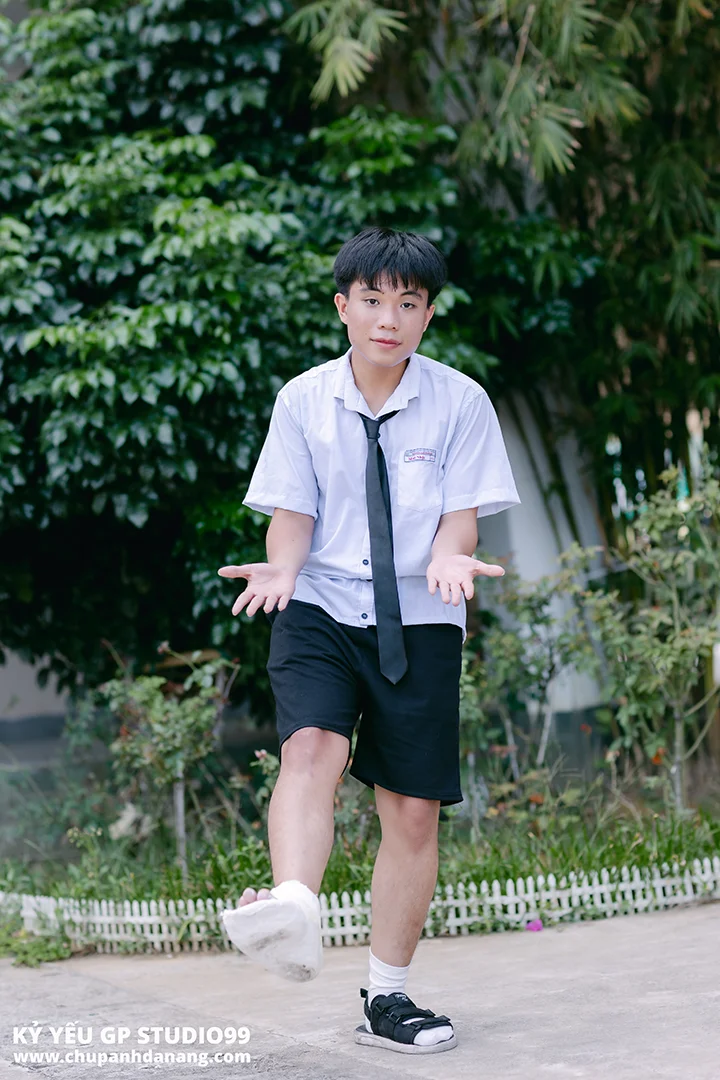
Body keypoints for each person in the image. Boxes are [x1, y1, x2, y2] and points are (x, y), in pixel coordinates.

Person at [219, 226, 520, 1055]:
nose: (390, 318)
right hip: (320, 603)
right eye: (373, 300)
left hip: (421, 614)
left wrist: (452, 555)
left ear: (428, 316)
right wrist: (283, 568)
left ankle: (387, 996)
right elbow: (293, 513)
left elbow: (460, 514)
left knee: (413, 812)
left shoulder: (461, 401)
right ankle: (292, 906)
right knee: (312, 745)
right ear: (343, 306)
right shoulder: (303, 400)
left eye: (409, 303)